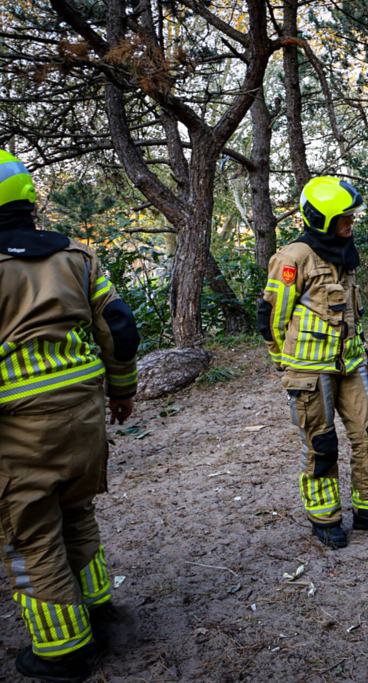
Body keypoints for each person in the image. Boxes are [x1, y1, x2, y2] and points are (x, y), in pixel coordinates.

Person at [0, 150, 140, 682]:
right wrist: (121, 391)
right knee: (77, 513)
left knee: (30, 534)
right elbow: (119, 327)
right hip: (83, 415)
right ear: (30, 201)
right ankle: (102, 615)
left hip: (18, 427)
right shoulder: (77, 258)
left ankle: (62, 651)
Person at [258, 177, 368, 550]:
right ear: (321, 219)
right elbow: (272, 316)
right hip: (309, 370)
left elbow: (348, 317)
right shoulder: (293, 258)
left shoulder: (343, 252)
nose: (351, 223)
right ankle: (325, 518)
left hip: (350, 364)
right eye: (345, 218)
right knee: (322, 445)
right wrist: (285, 364)